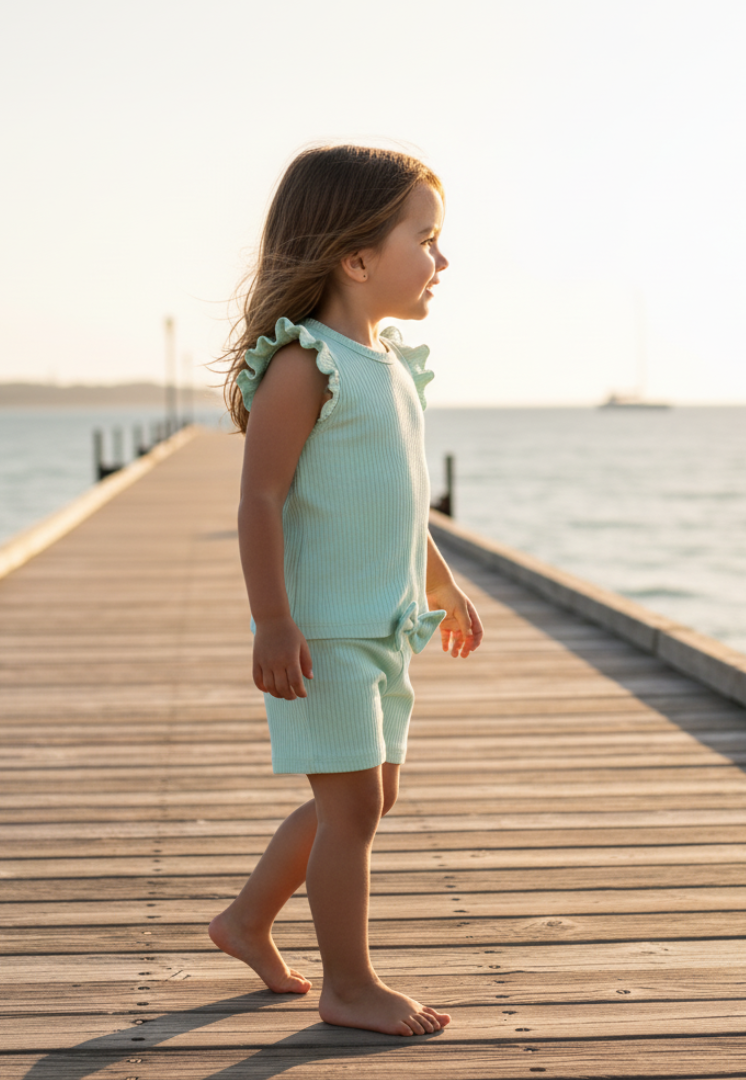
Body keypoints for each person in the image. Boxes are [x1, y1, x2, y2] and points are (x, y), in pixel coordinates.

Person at [210, 144, 484, 1037]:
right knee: (355, 805)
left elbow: (402, 503)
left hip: (385, 626)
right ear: (358, 258)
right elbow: (259, 498)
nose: (442, 260)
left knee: (369, 797)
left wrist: (444, 584)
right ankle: (349, 985)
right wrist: (272, 619)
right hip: (322, 631)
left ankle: (247, 919)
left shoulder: (393, 367)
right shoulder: (307, 365)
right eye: (427, 239)